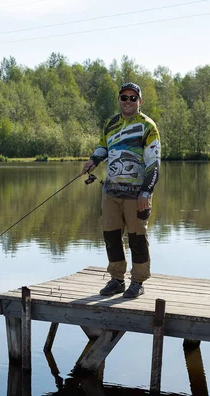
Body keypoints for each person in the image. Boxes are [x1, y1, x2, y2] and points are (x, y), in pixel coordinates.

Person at [81, 82, 161, 298]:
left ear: (140, 102)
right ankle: (117, 280)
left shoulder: (148, 126)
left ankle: (138, 281)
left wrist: (146, 192)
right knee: (111, 236)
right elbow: (103, 146)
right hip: (111, 192)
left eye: (133, 98)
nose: (128, 101)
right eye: (124, 97)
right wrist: (93, 160)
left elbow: (154, 164)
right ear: (119, 100)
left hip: (137, 195)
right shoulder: (111, 124)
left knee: (137, 238)